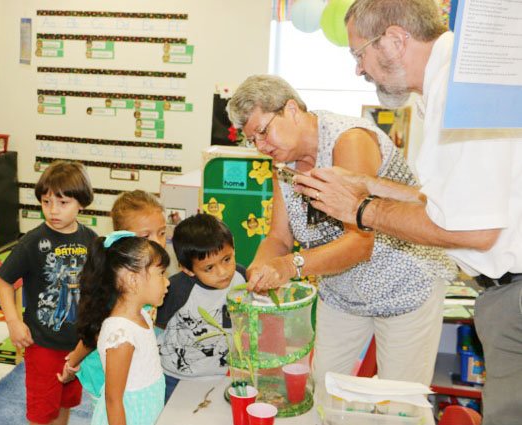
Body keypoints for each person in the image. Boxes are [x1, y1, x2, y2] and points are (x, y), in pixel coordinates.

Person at [292, 2, 522, 423]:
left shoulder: (464, 85)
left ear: (396, 40)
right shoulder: (439, 88)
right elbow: (444, 203)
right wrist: (368, 184)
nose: (358, 70)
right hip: (501, 294)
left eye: (359, 54)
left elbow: (476, 230)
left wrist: (362, 209)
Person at [226, 74, 457, 389]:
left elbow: (359, 243)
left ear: (291, 109)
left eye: (263, 132)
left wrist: (288, 266)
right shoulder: (283, 165)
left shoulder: (350, 140)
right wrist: (260, 268)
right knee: (325, 385)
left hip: (406, 284)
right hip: (343, 291)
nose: (261, 146)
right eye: (252, 140)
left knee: (400, 398)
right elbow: (279, 238)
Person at [0, 160, 96, 425]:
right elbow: (4, 280)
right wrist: (13, 321)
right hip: (42, 344)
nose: (53, 211)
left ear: (81, 203)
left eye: (63, 203)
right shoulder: (32, 242)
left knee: (66, 402)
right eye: (46, 202)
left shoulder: (91, 240)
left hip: (77, 346)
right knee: (43, 412)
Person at [57, 190, 169, 399]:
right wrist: (72, 362)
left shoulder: (145, 274)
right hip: (105, 374)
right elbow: (95, 332)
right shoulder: (119, 288)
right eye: (146, 236)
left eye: (162, 232)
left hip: (132, 369)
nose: (157, 242)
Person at [60, 232, 171, 425]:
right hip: (131, 416)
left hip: (147, 406)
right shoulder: (121, 335)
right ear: (133, 280)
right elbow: (113, 400)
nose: (167, 281)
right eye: (161, 274)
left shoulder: (141, 314)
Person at [156, 213, 247, 402]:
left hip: (224, 375)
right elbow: (158, 326)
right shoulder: (175, 289)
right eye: (209, 268)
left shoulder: (242, 278)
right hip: (176, 378)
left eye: (227, 259)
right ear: (188, 269)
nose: (222, 272)